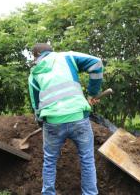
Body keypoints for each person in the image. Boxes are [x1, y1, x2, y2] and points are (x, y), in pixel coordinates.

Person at [28, 43, 103, 195]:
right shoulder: (66, 57)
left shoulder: (34, 73)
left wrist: (42, 123)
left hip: (52, 123)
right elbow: (97, 63)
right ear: (51, 51)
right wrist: (92, 93)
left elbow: (36, 106)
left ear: (36, 56)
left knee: (49, 161)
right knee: (87, 159)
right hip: (78, 118)